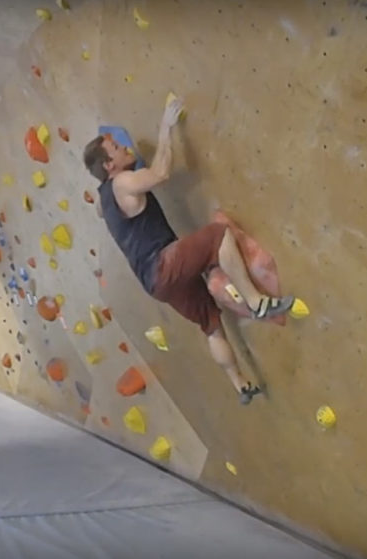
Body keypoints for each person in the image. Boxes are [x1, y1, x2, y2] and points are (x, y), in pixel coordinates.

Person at [82, 95, 296, 405]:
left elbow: (101, 210)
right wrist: (166, 129)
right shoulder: (123, 182)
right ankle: (257, 301)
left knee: (210, 323)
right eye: (116, 147)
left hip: (154, 284)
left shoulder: (105, 197)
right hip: (163, 264)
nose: (124, 146)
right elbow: (161, 174)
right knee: (219, 236)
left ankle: (240, 385)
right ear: (109, 165)